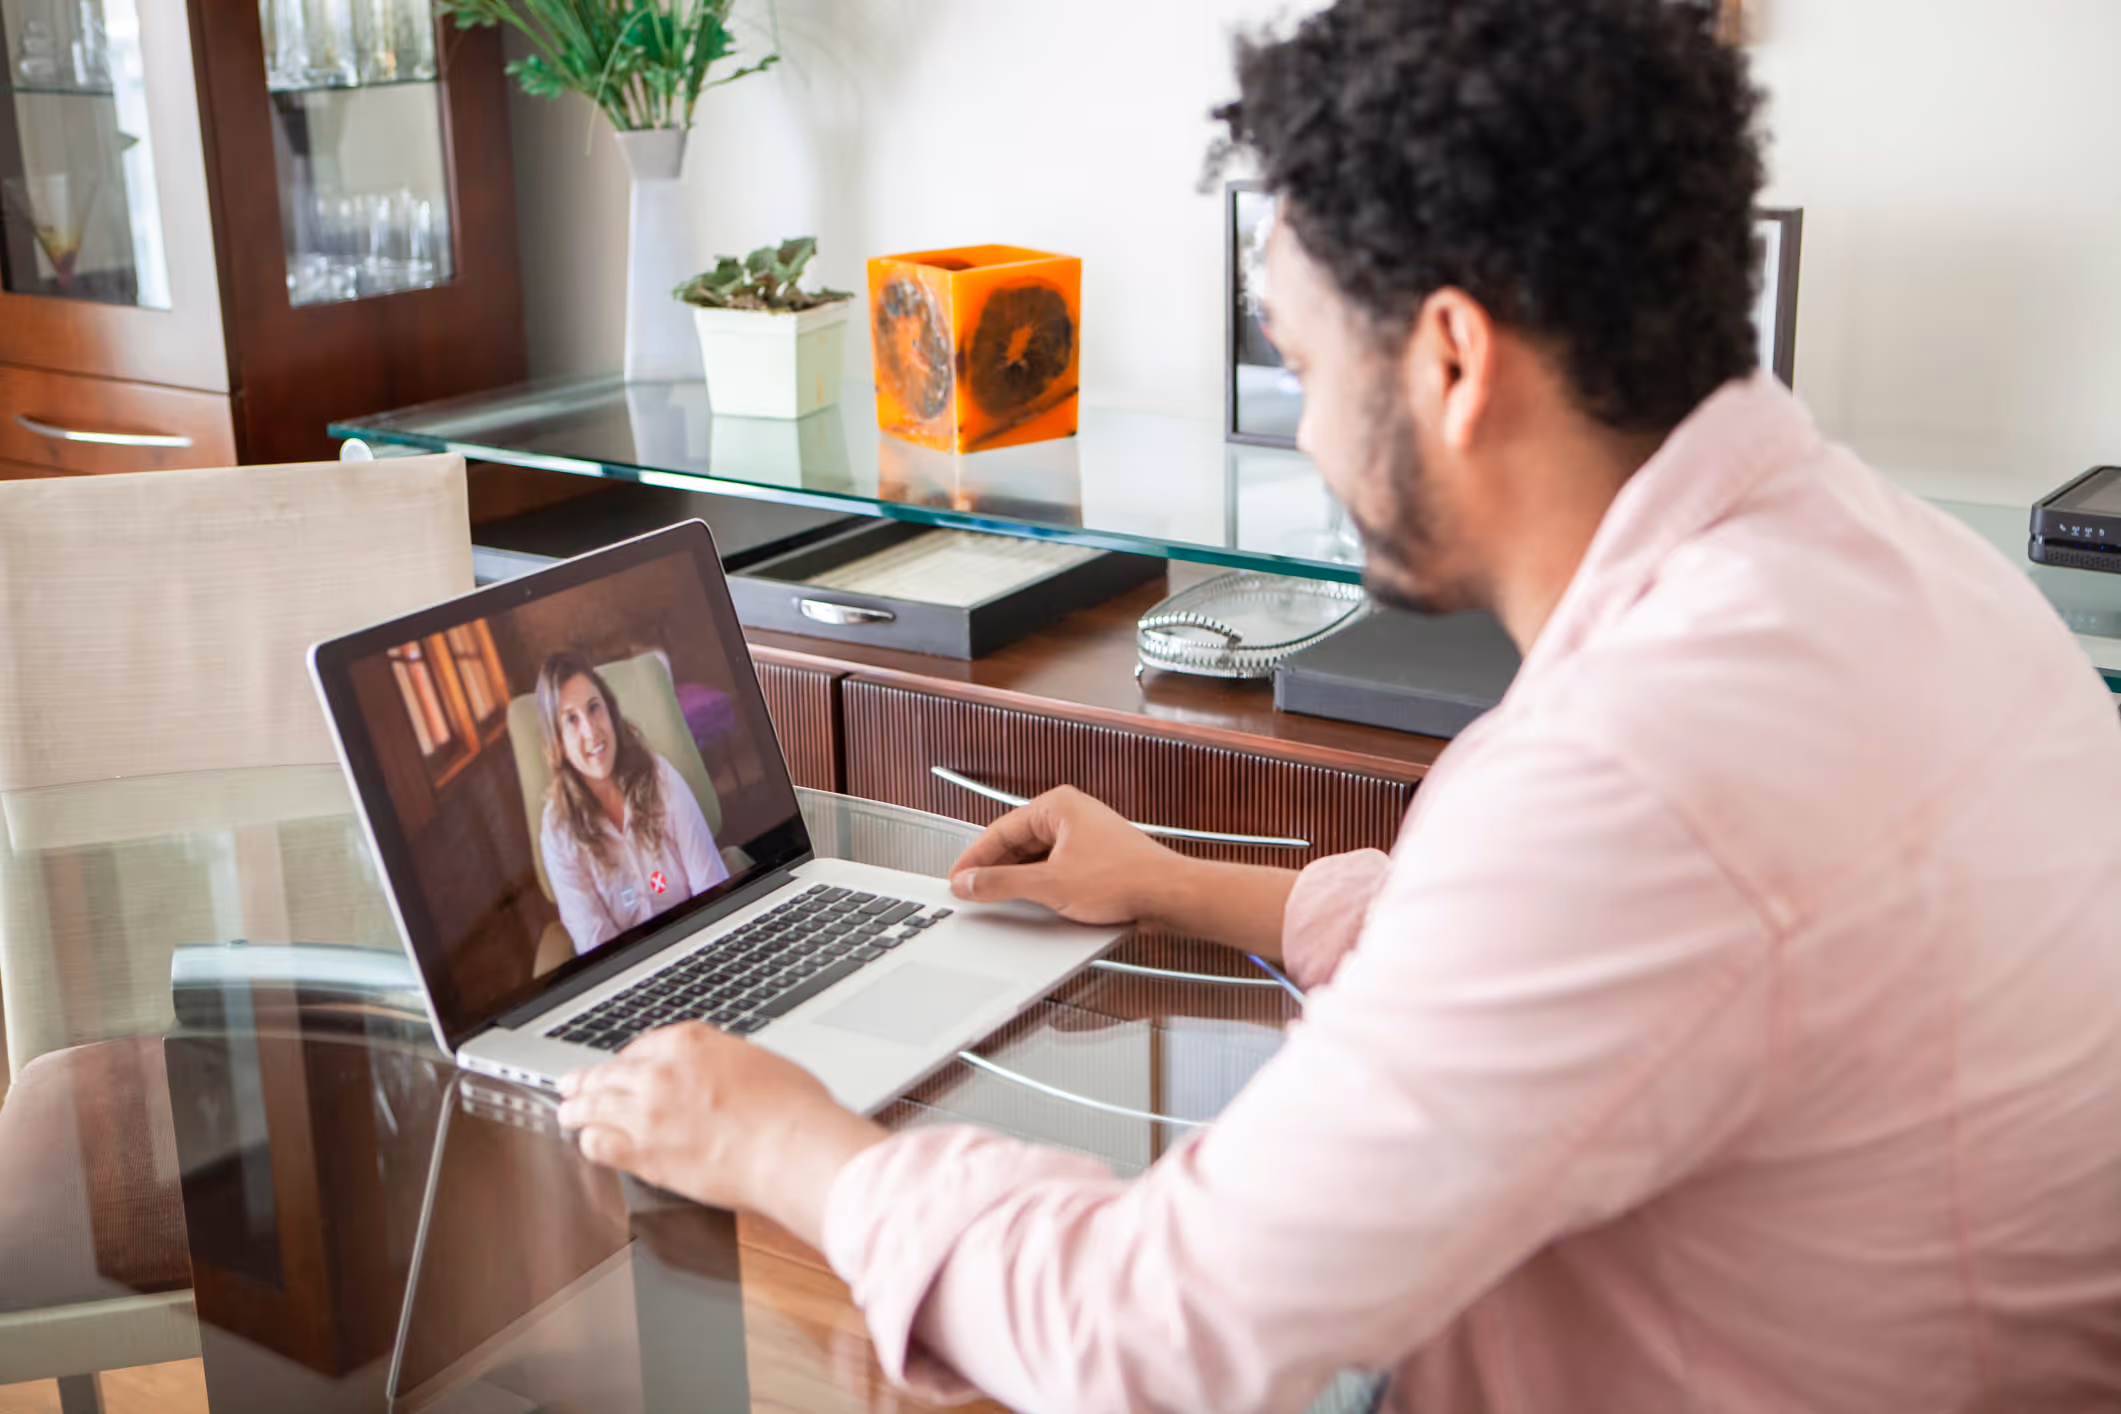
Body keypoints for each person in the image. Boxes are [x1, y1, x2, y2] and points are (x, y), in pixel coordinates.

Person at [555, 1, 2121, 1409]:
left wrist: (781, 1140)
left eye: (1302, 361)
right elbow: (1596, 956)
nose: (1304, 434)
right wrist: (1172, 879)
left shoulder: (1634, 772)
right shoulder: (1891, 554)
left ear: (1450, 358)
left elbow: (1151, 1331)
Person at [536, 650, 728, 954]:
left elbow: (712, 890)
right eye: (571, 719)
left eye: (594, 708)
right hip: (630, 979)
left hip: (702, 946)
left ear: (611, 713)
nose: (590, 729)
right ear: (558, 742)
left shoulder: (660, 777)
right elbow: (598, 948)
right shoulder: (558, 830)